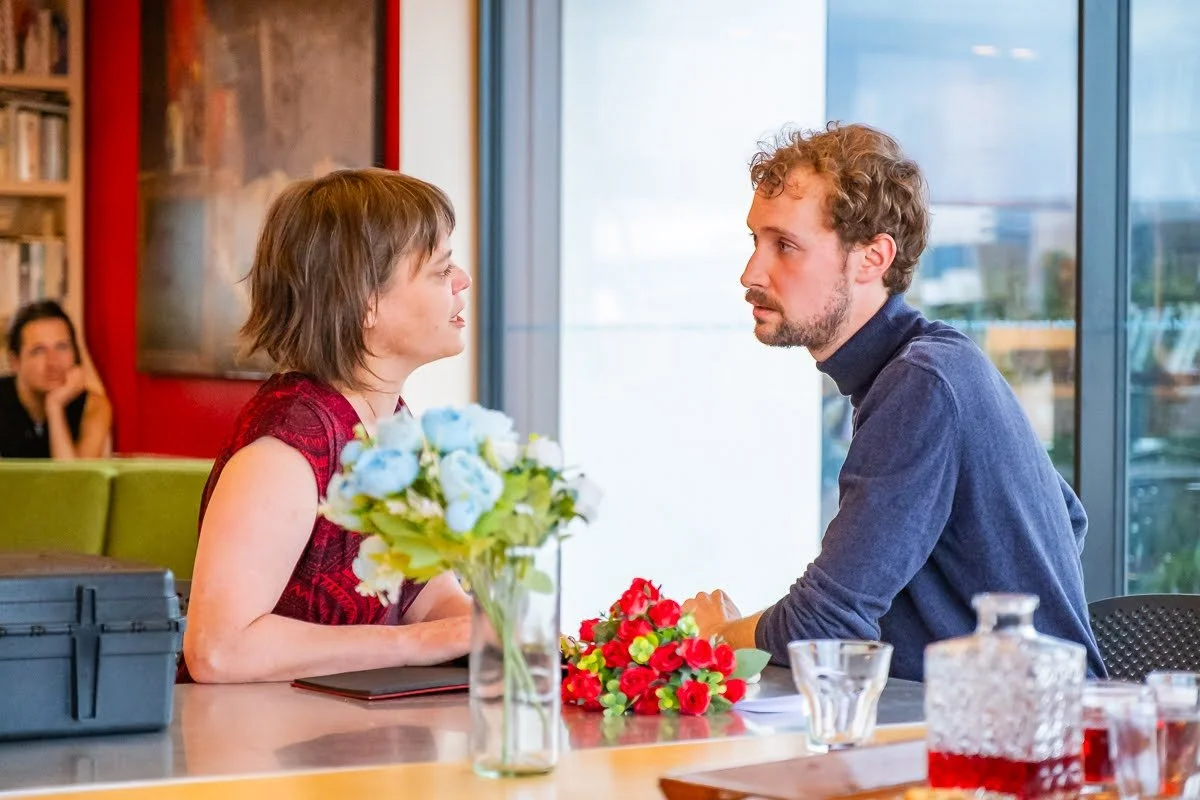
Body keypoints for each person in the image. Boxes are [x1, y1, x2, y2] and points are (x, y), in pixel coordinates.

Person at [682, 123, 1105, 681]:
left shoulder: (922, 384)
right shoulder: (933, 365)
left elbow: (823, 624)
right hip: (989, 726)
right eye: (755, 241)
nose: (750, 273)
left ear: (872, 258)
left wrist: (719, 636)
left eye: (784, 245)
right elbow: (1067, 519)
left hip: (1022, 746)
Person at [182, 169, 474, 684]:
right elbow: (218, 651)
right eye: (439, 270)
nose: (462, 282)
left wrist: (496, 631)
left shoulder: (394, 425)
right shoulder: (285, 448)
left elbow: (426, 594)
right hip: (267, 752)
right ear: (367, 300)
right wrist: (417, 643)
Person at [0, 300, 112, 460]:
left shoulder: (94, 407)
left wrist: (54, 407)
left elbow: (74, 481)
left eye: (62, 347)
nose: (53, 362)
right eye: (38, 351)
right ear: (15, 362)